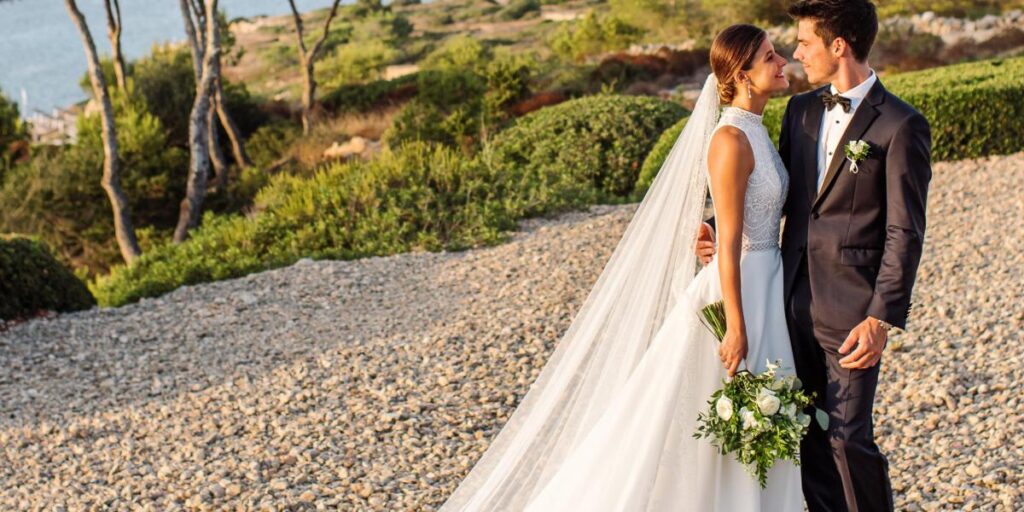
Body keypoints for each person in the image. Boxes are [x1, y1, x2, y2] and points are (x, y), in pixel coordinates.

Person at [440, 24, 803, 511]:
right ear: (741, 73)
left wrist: (713, 238)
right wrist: (735, 327)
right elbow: (735, 240)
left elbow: (736, 223)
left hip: (765, 283)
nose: (783, 63)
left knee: (751, 422)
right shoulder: (731, 139)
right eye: (770, 57)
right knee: (696, 423)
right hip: (737, 296)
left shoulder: (757, 131)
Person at [698, 1, 931, 510]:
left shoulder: (900, 125)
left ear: (838, 46)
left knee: (848, 438)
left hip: (851, 316)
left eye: (803, 43)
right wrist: (714, 228)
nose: (795, 53)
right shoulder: (801, 112)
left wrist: (879, 318)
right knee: (804, 439)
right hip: (785, 303)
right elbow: (773, 193)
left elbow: (904, 233)